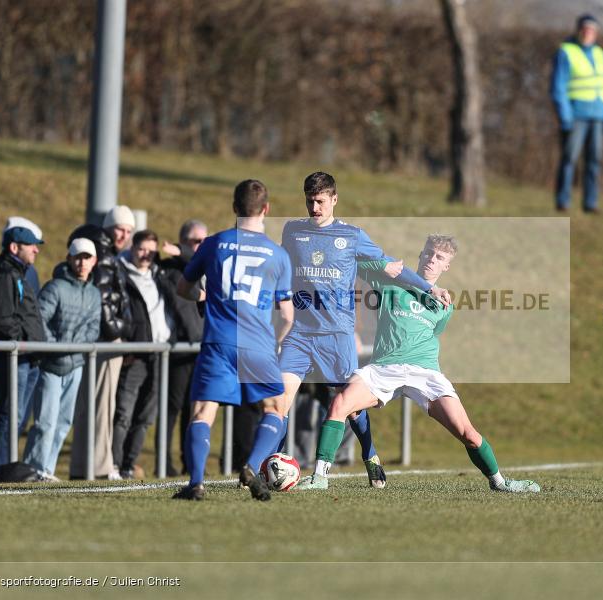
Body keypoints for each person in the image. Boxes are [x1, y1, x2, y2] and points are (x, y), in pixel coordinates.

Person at [296, 235, 540, 494]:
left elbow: (434, 333)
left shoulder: (444, 304)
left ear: (447, 266)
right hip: (384, 367)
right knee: (339, 404)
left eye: (439, 258)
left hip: (425, 372)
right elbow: (353, 264)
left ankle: (500, 482)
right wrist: (384, 265)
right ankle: (320, 476)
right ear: (421, 254)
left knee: (467, 432)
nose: (432, 260)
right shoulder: (390, 282)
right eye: (429, 254)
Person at [276, 172, 450, 489]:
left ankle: (370, 456)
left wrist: (427, 288)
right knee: (279, 400)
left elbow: (393, 269)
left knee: (350, 405)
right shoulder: (292, 231)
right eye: (309, 201)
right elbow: (279, 267)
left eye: (320, 201)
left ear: (334, 200)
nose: (314, 208)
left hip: (337, 336)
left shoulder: (352, 236)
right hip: (300, 333)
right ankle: (268, 467)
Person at [172, 179, 294, 501]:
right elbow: (287, 316)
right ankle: (252, 466)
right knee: (275, 409)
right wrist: (275, 342)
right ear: (266, 209)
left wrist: (204, 296)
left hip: (218, 342)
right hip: (259, 344)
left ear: (234, 208)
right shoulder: (278, 255)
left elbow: (182, 289)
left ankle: (196, 483)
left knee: (202, 412)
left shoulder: (213, 244)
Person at [23, 238, 101, 480]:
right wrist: (56, 347)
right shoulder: (54, 287)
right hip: (51, 365)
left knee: (63, 423)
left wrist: (73, 348)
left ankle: (47, 469)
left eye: (86, 257)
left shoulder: (94, 294)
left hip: (75, 366)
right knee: (45, 422)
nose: (81, 262)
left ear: (94, 261)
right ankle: (32, 470)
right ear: (69, 258)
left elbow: (93, 328)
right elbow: (40, 320)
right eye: (77, 257)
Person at [68, 205, 135, 480]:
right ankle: (99, 466)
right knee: (101, 406)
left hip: (100, 339)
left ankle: (86, 466)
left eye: (128, 231)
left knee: (93, 406)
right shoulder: (105, 255)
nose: (124, 235)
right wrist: (123, 330)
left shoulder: (105, 253)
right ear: (109, 228)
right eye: (120, 228)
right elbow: (106, 304)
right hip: (106, 341)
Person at [113, 229, 175, 479]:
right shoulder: (121, 274)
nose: (146, 255)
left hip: (160, 355)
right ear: (132, 247)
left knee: (146, 416)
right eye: (142, 249)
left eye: (151, 250)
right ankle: (114, 465)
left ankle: (129, 464)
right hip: (135, 353)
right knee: (123, 413)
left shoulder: (159, 275)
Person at [0, 225, 46, 481]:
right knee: (9, 413)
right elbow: (1, 319)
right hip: (14, 357)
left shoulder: (19, 273)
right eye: (31, 245)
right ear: (14, 247)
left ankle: (7, 467)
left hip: (28, 357)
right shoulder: (3, 274)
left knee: (18, 415)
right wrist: (23, 341)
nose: (36, 250)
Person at [549, 13, 603, 213]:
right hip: (576, 115)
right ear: (578, 30)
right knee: (569, 159)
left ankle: (590, 204)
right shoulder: (566, 51)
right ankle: (562, 202)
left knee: (594, 162)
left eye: (592, 30)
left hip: (598, 116)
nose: (588, 33)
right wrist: (565, 116)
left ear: (596, 33)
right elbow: (558, 87)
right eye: (585, 29)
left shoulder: (600, 54)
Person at [158, 219, 207, 476]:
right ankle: (164, 464)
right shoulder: (169, 269)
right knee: (172, 409)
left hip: (202, 350)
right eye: (193, 241)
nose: (199, 246)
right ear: (181, 244)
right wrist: (182, 255)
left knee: (195, 410)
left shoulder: (206, 269)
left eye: (203, 241)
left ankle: (191, 463)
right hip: (178, 351)